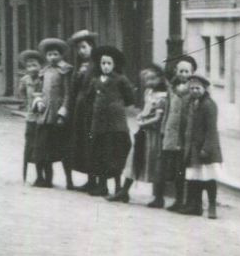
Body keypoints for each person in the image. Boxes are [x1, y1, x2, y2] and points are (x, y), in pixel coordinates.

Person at [87, 45, 136, 199]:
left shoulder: (120, 80)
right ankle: (102, 186)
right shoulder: (95, 81)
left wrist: (119, 108)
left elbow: (130, 99)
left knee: (115, 155)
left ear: (114, 65)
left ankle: (118, 187)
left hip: (115, 125)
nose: (106, 67)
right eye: (103, 63)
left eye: (109, 63)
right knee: (100, 154)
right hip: (99, 124)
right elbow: (89, 98)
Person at [121, 65, 168, 205]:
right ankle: (124, 191)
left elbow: (158, 118)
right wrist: (141, 115)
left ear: (160, 78)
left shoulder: (163, 96)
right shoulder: (148, 92)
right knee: (134, 158)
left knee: (155, 164)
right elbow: (146, 109)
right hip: (143, 132)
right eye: (146, 79)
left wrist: (144, 122)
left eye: (153, 78)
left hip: (154, 134)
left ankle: (159, 197)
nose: (149, 82)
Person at [181, 73, 224, 218]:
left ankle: (212, 206)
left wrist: (206, 148)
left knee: (209, 179)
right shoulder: (191, 103)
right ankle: (196, 206)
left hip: (206, 149)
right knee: (195, 178)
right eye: (192, 88)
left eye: (197, 88)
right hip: (193, 148)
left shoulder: (208, 105)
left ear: (204, 88)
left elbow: (211, 130)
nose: (194, 91)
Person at [30, 37, 72, 188]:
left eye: (55, 54)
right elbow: (39, 91)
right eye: (49, 55)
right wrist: (39, 101)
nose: (52, 57)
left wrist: (63, 112)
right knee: (42, 147)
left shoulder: (65, 70)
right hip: (44, 113)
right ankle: (44, 178)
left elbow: (68, 93)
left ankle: (69, 180)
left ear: (61, 55)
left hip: (57, 112)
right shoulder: (44, 71)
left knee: (63, 148)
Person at [159, 54, 196, 212]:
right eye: (181, 71)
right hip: (171, 135)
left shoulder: (193, 90)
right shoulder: (171, 88)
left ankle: (185, 201)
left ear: (191, 73)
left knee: (183, 170)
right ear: (176, 72)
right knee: (174, 170)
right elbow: (167, 110)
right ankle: (177, 200)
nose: (183, 74)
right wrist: (163, 128)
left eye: (186, 72)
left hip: (184, 135)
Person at [63, 29, 98, 192]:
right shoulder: (78, 67)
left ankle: (94, 179)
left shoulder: (97, 65)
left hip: (92, 108)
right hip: (79, 108)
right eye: (78, 48)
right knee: (81, 143)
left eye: (84, 47)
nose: (81, 51)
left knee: (92, 143)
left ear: (91, 46)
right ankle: (89, 178)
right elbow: (72, 89)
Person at [16, 49, 46, 185]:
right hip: (30, 117)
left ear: (40, 66)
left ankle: (43, 175)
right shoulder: (25, 80)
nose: (31, 69)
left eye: (34, 65)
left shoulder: (44, 78)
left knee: (41, 145)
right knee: (29, 143)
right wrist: (25, 103)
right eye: (28, 66)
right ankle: (28, 173)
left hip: (42, 116)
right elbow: (21, 93)